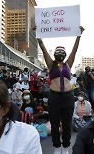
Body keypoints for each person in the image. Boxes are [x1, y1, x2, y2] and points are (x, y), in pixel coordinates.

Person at [37, 26, 84, 154]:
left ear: (64, 54)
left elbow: (74, 51)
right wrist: (38, 36)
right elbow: (44, 50)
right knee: (55, 123)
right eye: (57, 51)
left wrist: (78, 35)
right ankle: (57, 147)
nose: (60, 53)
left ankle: (66, 146)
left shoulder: (68, 63)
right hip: (55, 96)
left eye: (62, 52)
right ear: (55, 54)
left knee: (67, 124)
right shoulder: (51, 64)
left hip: (68, 96)